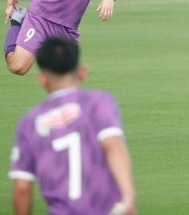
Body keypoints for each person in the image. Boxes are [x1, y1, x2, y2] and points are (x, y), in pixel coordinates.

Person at [8, 37, 136, 215]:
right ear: (82, 72)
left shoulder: (29, 123)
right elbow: (113, 145)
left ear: (42, 79)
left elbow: (21, 188)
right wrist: (128, 198)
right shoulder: (99, 102)